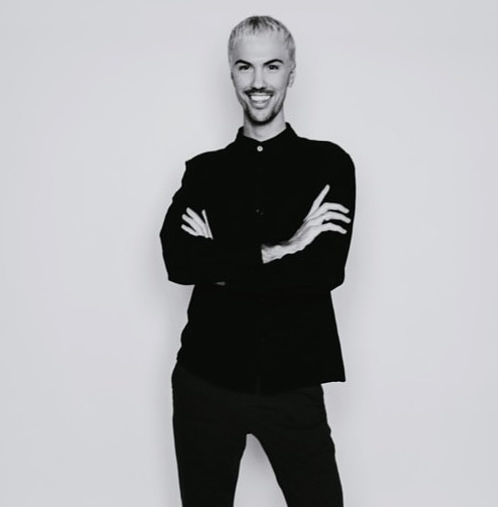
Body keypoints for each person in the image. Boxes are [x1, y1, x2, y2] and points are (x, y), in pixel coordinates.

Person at [160, 15, 355, 507]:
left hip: (293, 385)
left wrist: (221, 263)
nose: (258, 82)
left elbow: (323, 271)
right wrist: (280, 250)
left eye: (272, 66)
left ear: (292, 72)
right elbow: (179, 260)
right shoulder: (203, 172)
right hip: (206, 383)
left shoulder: (329, 164)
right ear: (231, 74)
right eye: (245, 67)